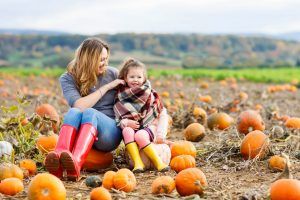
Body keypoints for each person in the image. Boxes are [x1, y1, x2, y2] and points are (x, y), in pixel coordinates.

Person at [45, 37, 125, 181]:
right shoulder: (68, 78)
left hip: (110, 133)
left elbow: (139, 87)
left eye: (106, 59)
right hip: (85, 133)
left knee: (90, 112)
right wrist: (106, 88)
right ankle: (59, 157)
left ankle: (76, 162)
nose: (105, 63)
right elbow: (78, 106)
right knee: (74, 111)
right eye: (101, 60)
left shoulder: (113, 73)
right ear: (89, 59)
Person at [113, 58, 170, 172]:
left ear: (144, 78)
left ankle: (158, 162)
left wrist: (160, 135)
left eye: (139, 77)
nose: (135, 80)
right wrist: (126, 122)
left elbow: (162, 114)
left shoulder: (150, 94)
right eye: (132, 77)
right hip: (133, 129)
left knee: (140, 136)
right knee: (126, 131)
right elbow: (118, 118)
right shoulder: (121, 96)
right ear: (125, 78)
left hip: (149, 127)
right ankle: (138, 163)